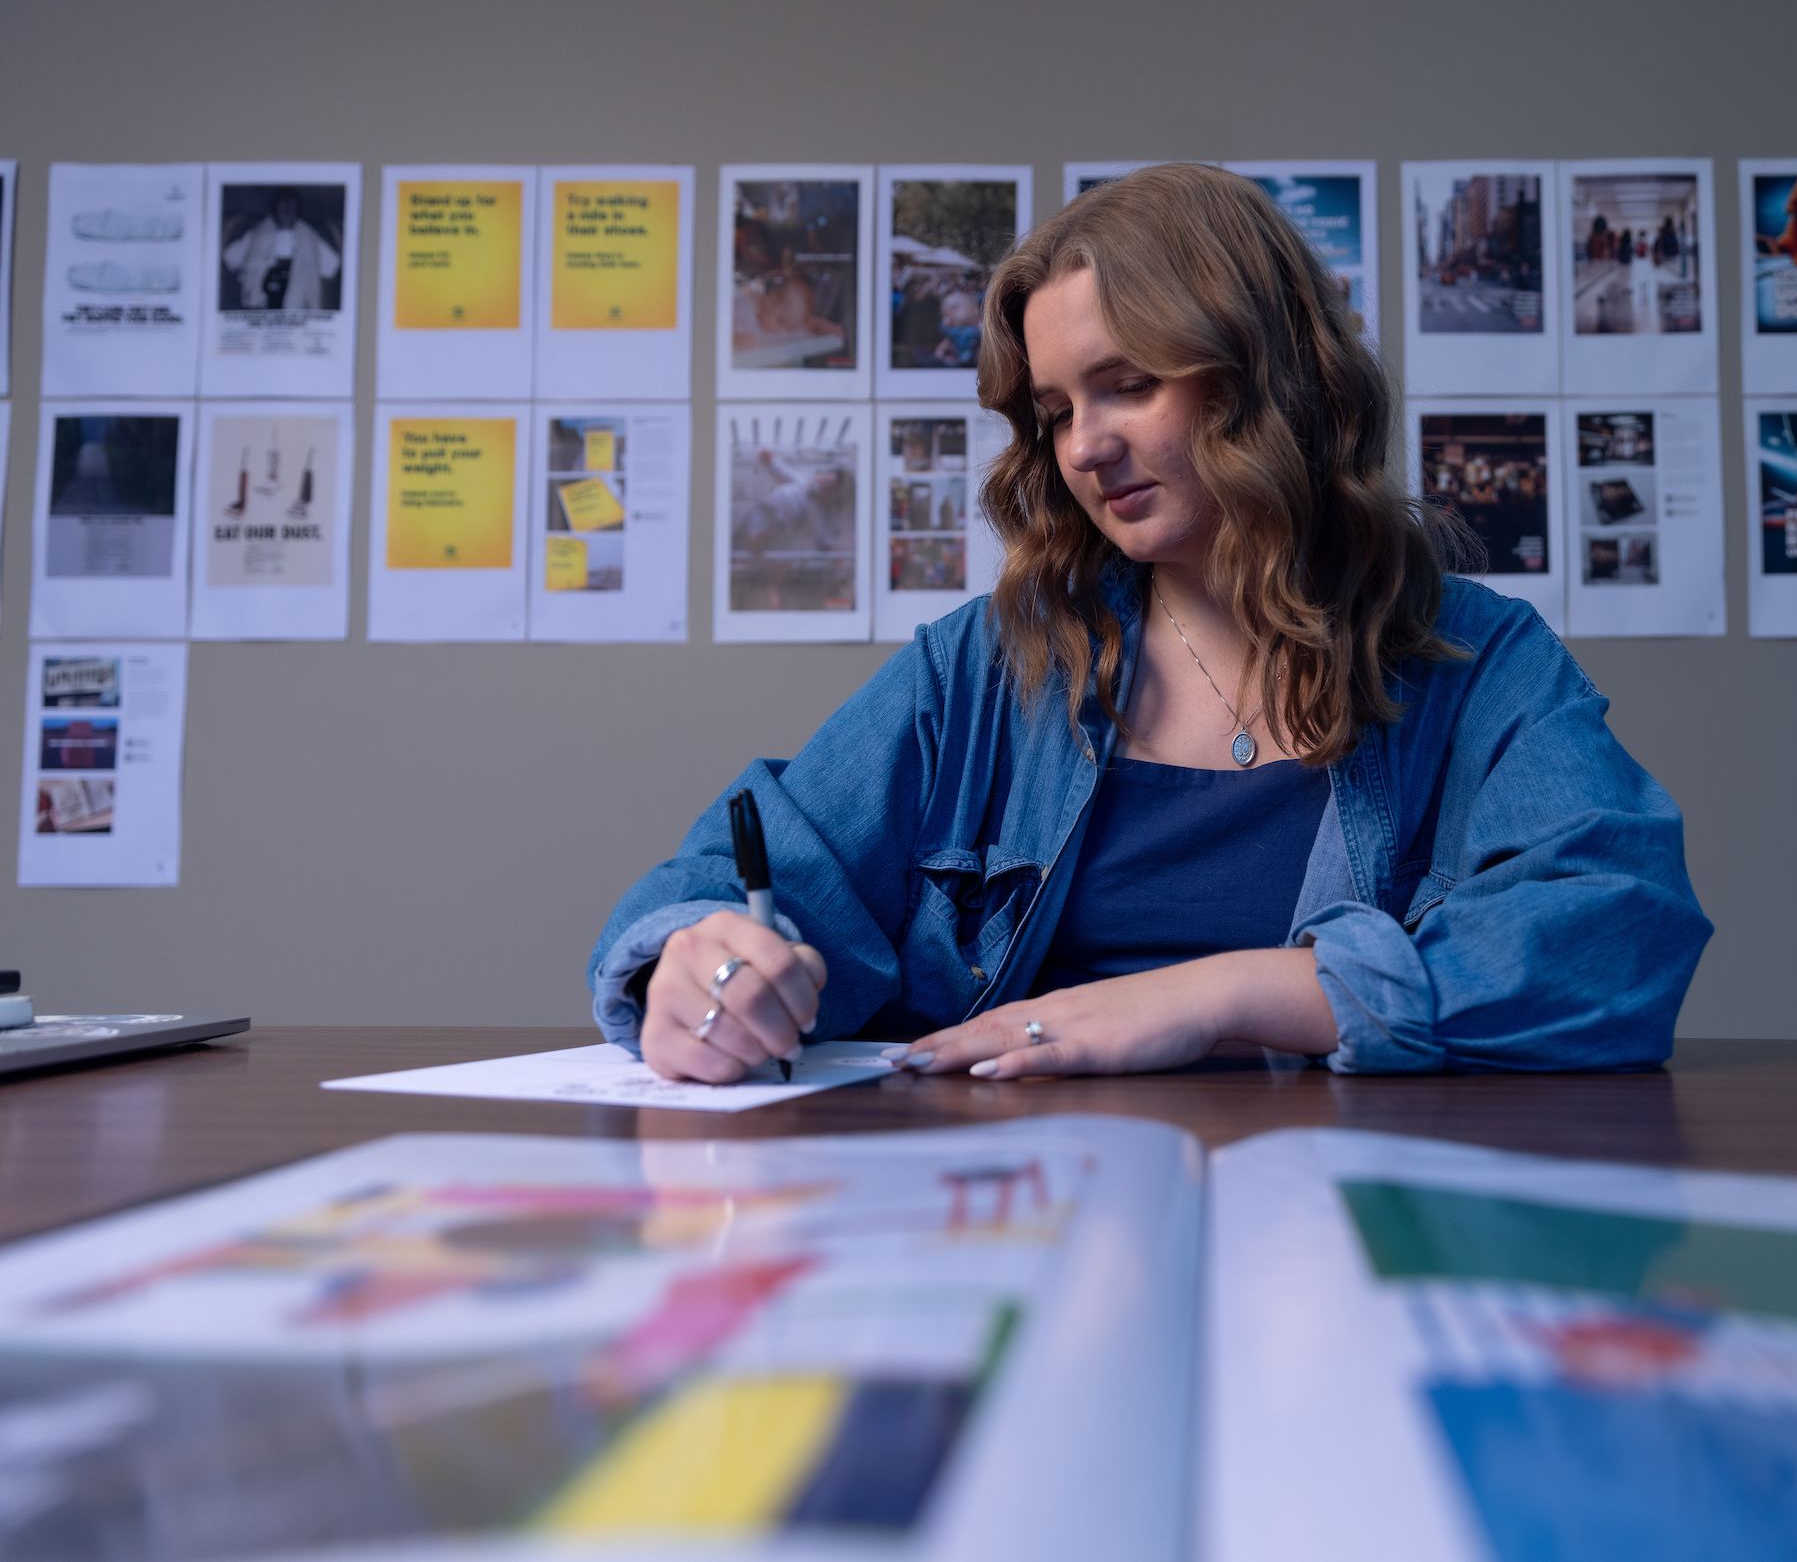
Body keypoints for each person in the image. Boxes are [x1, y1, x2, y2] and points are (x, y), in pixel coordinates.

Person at [589, 163, 1710, 1084]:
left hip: (1356, 1218)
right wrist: (694, 965)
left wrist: (1229, 992)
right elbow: (726, 882)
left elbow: (1619, 931)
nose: (1082, 447)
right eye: (1056, 409)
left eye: (1126, 385)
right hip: (1021, 1212)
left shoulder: (1476, 662)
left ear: (1262, 376)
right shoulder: (982, 670)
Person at [221, 187, 340, 311]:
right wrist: (230, 226)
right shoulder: (256, 235)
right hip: (261, 307)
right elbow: (228, 258)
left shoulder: (311, 238)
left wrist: (335, 232)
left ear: (297, 210)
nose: (287, 208)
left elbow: (333, 267)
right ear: (275, 208)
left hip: (298, 309)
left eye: (291, 205)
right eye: (283, 204)